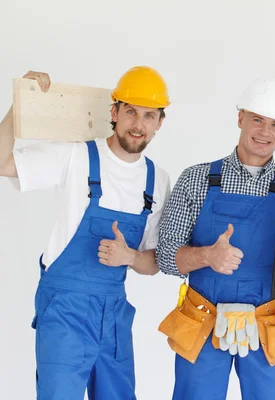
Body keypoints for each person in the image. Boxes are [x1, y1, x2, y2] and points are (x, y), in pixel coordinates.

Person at [156, 77, 275, 400]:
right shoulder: (196, 180)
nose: (264, 131)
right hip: (203, 322)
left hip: (269, 326)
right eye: (257, 119)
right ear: (240, 118)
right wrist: (207, 256)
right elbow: (165, 255)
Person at [0, 67, 171, 399]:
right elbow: (1, 163)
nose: (138, 124)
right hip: (66, 311)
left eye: (149, 116)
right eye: (131, 112)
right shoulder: (75, 156)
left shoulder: (157, 180)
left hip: (115, 314)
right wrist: (18, 106)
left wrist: (131, 257)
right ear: (114, 112)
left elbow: (154, 263)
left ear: (159, 122)